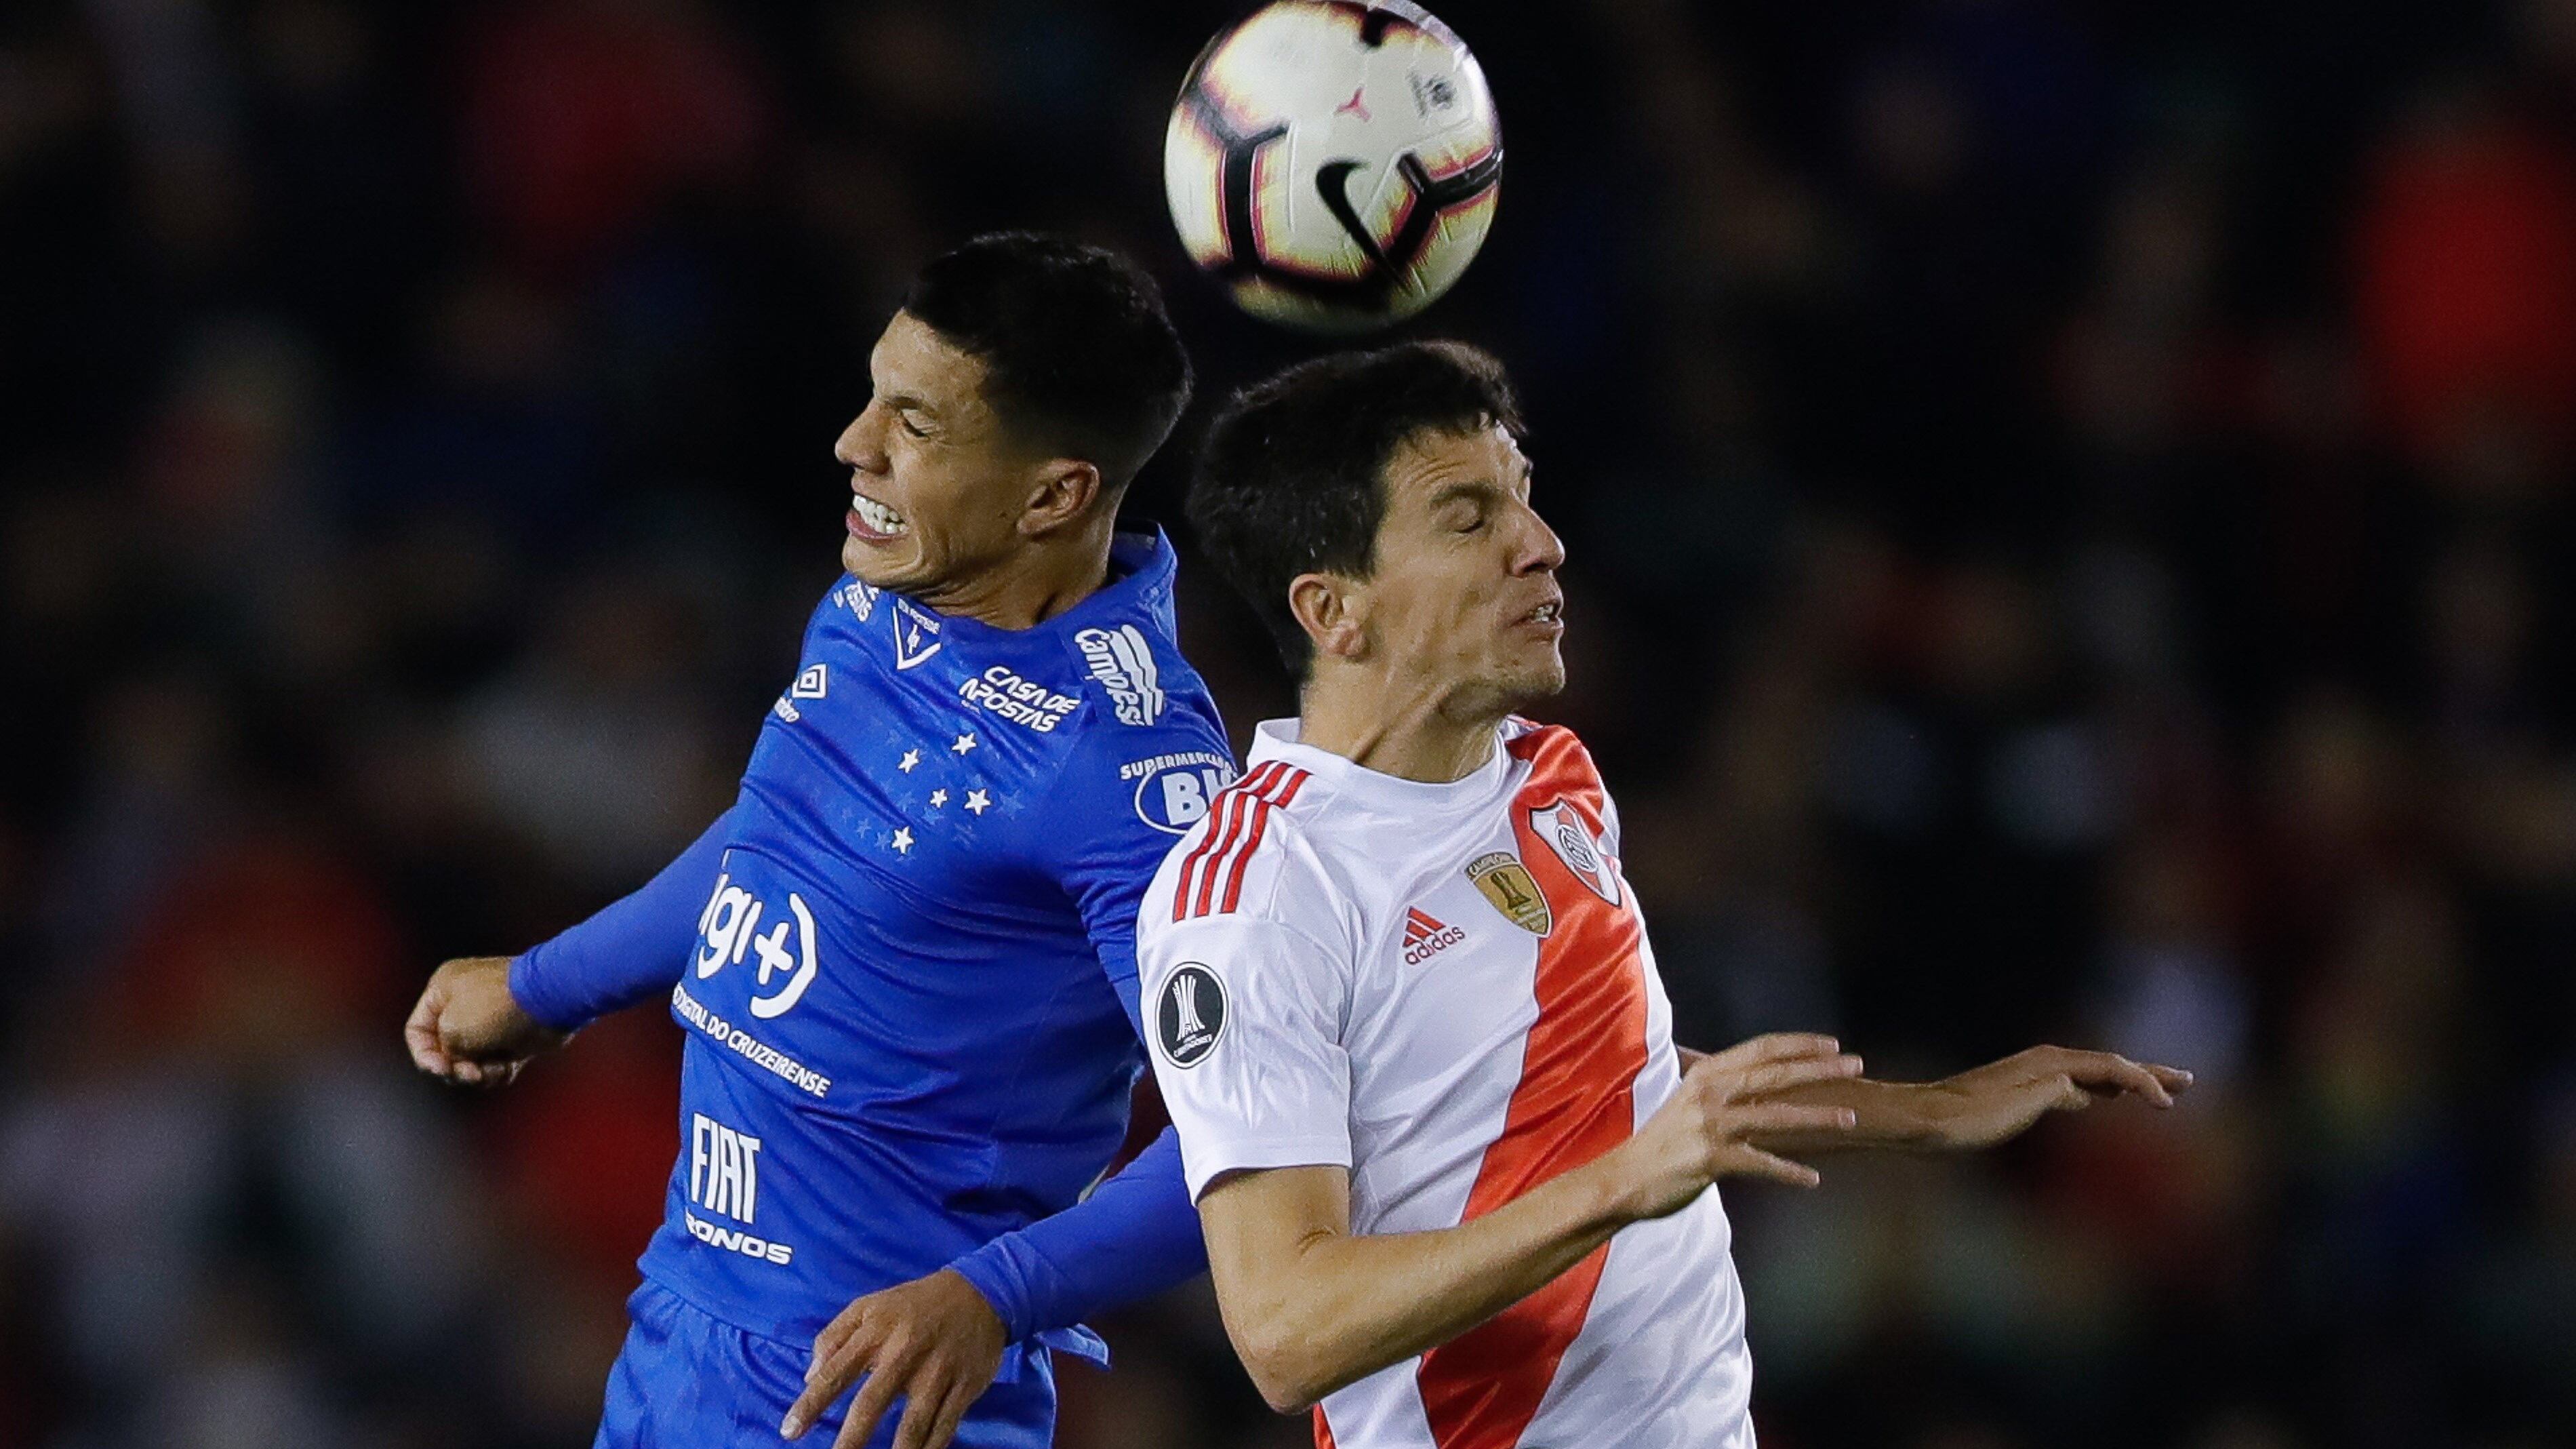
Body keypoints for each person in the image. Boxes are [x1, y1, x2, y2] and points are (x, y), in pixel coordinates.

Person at [1142, 340, 2194, 1448]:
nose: (1542, 548)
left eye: (1527, 501)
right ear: (1334, 610)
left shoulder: (1552, 776)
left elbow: (1606, 1090)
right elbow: (1285, 1329)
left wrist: (1929, 1113)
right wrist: (1625, 1180)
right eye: (1468, 519)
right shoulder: (1255, 895)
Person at [404, 233, 1234, 1449]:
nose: (855, 443)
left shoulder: (1128, 770)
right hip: (680, 1343)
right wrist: (547, 986)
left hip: (866, 1408)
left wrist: (997, 1296)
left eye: (916, 423)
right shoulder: (876, 596)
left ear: (1053, 493)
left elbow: (1249, 1134)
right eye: (870, 394)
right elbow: (788, 833)